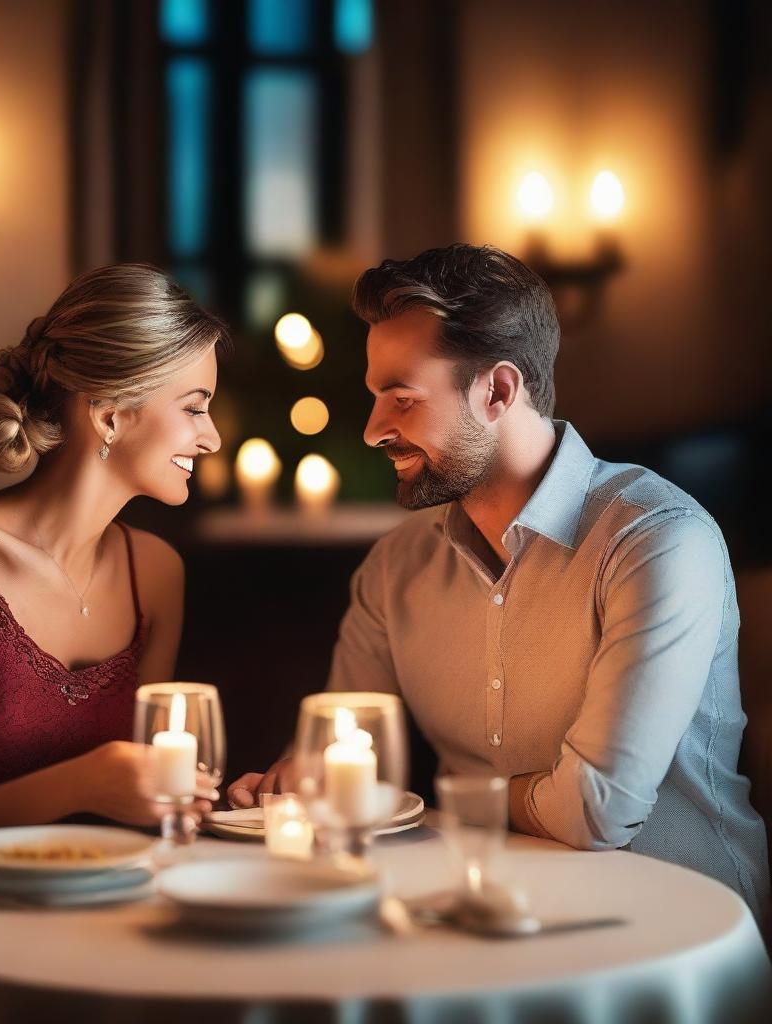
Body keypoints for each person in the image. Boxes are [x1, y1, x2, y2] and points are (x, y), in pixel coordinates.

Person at [229, 243, 769, 921]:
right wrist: (293, 787)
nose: (373, 429)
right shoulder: (394, 569)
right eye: (375, 398)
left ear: (499, 390)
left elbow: (596, 814)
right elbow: (343, 762)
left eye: (401, 398)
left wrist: (454, 798)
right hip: (477, 921)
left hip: (675, 933)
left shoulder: (657, 541)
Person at [0, 263, 226, 863]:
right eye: (193, 407)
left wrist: (215, 797)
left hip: (97, 898)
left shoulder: (156, 573)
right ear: (109, 414)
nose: (211, 438)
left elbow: (154, 796)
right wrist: (79, 784)